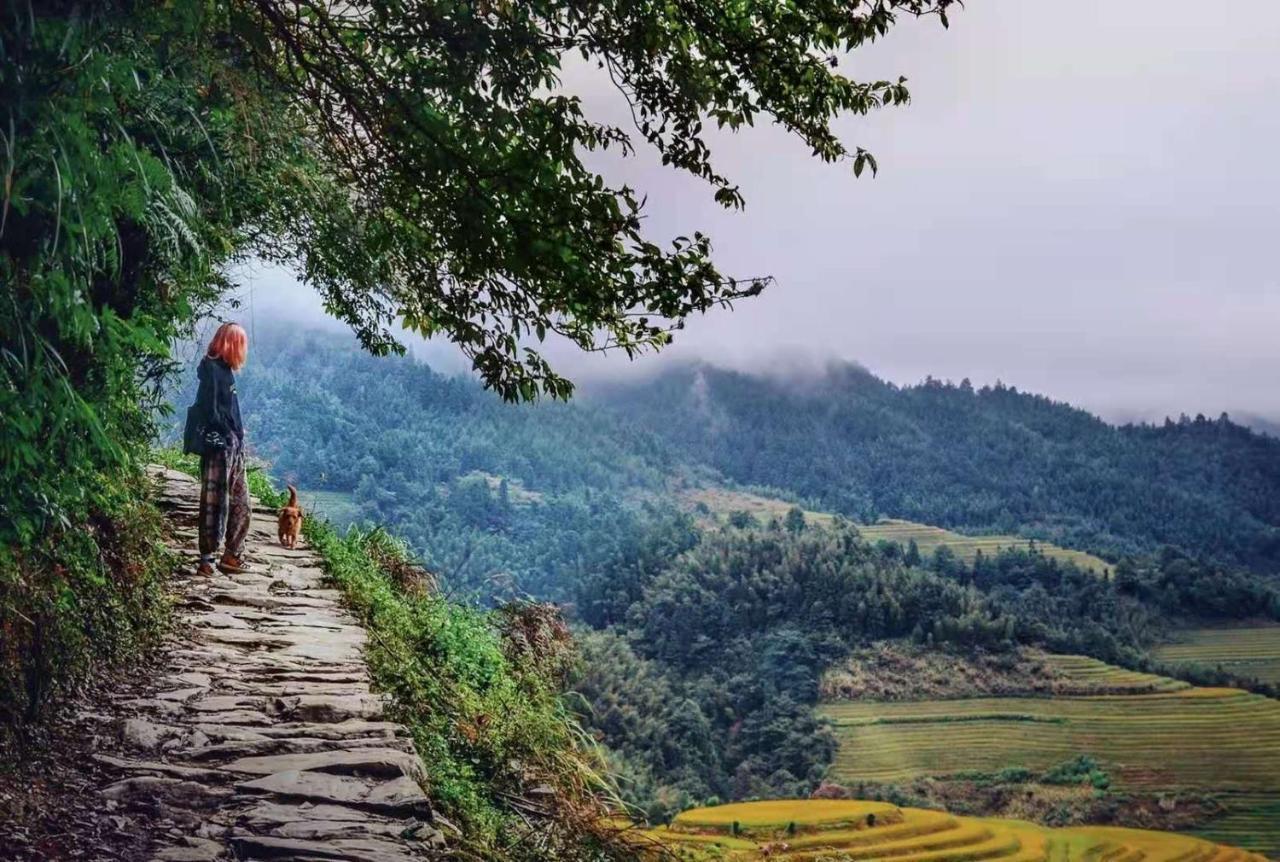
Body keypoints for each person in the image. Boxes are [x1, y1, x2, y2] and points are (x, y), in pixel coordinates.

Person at [194, 322, 251, 576]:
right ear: (230, 343)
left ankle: (231, 554)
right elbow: (211, 411)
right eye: (240, 343)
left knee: (242, 502)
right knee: (214, 502)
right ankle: (207, 558)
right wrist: (228, 433)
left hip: (233, 447)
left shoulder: (226, 371)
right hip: (219, 448)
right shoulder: (212, 370)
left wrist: (238, 436)